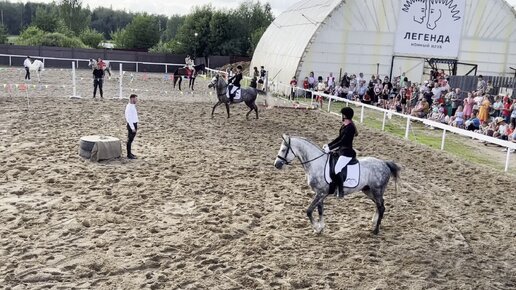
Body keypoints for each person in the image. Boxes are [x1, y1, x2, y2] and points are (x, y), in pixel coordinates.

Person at [323, 107, 358, 197]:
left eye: (342, 114)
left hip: (347, 153)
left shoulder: (350, 128)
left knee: (337, 169)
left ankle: (340, 190)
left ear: (345, 116)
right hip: (341, 151)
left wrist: (330, 148)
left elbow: (343, 141)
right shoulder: (344, 126)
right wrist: (329, 145)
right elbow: (339, 138)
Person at [125, 94, 139, 159]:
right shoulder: (129, 107)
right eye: (136, 99)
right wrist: (133, 127)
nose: (136, 100)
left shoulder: (132, 106)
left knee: (131, 140)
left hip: (134, 124)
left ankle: (130, 153)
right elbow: (129, 118)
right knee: (129, 140)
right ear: (132, 99)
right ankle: (128, 154)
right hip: (131, 125)